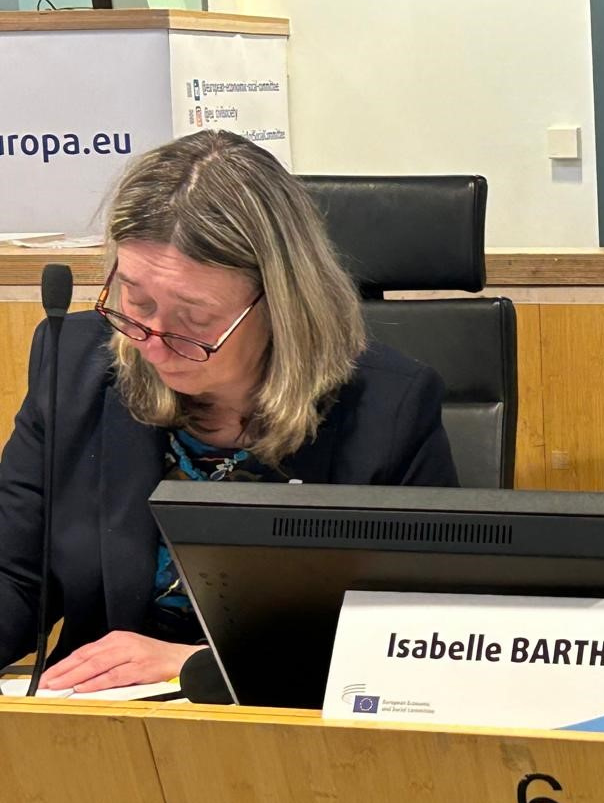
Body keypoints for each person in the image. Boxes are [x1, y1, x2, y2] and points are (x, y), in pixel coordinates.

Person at [0, 130, 458, 692]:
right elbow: (14, 574)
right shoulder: (74, 366)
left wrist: (195, 664)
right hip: (97, 717)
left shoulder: (390, 407)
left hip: (285, 721)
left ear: (281, 302)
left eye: (194, 317)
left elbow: (415, 635)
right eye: (137, 300)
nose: (153, 340)